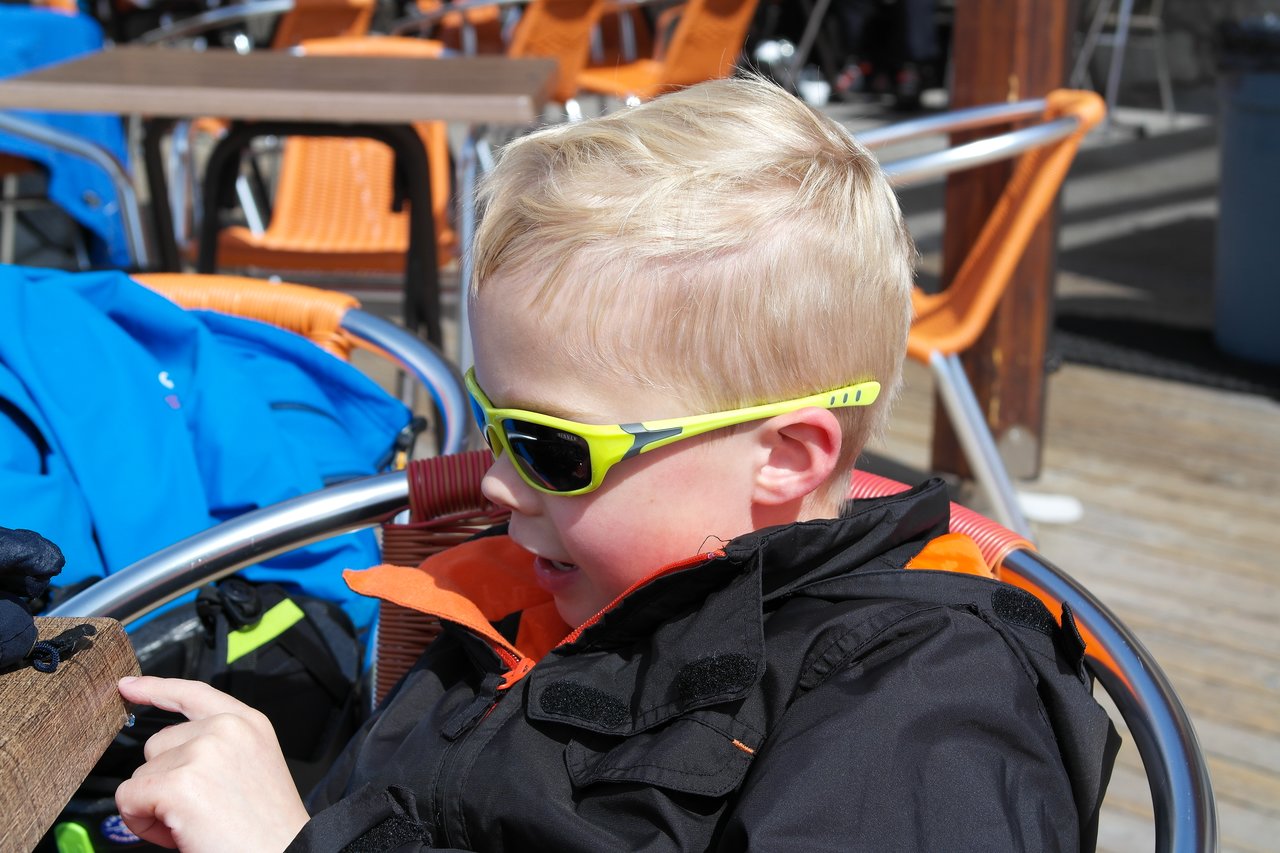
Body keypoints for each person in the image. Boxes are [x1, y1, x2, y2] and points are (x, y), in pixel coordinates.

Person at [114, 74, 1117, 852]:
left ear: (784, 454)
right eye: (490, 423)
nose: (496, 481)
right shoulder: (546, 595)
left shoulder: (915, 704)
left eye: (551, 446)